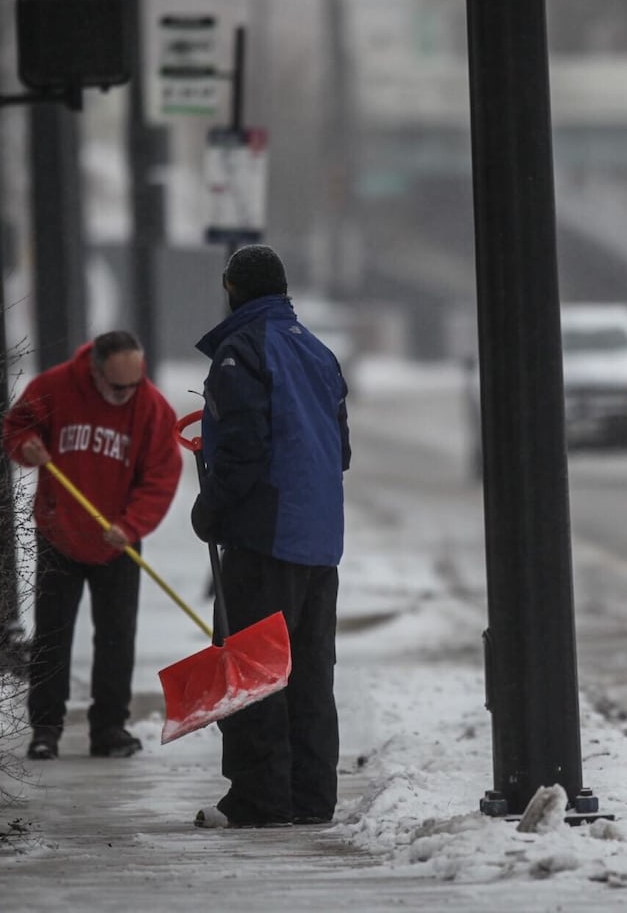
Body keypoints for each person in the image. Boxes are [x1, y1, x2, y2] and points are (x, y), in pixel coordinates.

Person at [189, 244, 350, 829]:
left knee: (253, 672)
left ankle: (259, 800)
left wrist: (211, 507)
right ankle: (310, 799)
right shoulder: (319, 353)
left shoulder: (242, 352)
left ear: (232, 288)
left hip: (265, 539)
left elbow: (243, 449)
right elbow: (341, 450)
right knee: (309, 676)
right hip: (319, 542)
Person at [2, 331, 181, 761]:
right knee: (53, 635)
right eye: (117, 386)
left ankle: (109, 729)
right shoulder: (55, 388)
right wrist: (27, 447)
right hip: (59, 531)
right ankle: (45, 728)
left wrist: (131, 525)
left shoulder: (151, 407)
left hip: (116, 540)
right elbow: (17, 426)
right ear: (95, 371)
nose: (126, 394)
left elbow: (160, 477)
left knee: (118, 639)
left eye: (134, 384)